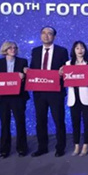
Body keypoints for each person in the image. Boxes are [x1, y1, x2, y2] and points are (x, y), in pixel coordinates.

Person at [27, 26, 68, 157]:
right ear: (40, 36)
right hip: (39, 92)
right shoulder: (35, 51)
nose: (46, 36)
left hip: (55, 91)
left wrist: (63, 71)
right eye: (43, 33)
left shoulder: (62, 51)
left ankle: (60, 147)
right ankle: (42, 147)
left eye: (49, 33)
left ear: (54, 37)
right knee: (40, 121)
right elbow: (33, 68)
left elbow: (67, 69)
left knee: (59, 120)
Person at [0, 41, 29, 158]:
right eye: (10, 48)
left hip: (18, 97)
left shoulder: (23, 62)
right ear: (5, 49)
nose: (13, 49)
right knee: (4, 123)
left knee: (20, 123)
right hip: (3, 98)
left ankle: (22, 148)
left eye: (14, 48)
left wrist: (24, 75)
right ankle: (4, 150)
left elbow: (28, 78)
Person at [64, 41, 88, 156]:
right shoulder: (68, 63)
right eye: (77, 48)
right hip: (73, 98)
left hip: (86, 97)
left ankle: (86, 145)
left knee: (87, 122)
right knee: (75, 122)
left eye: (82, 48)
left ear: (85, 50)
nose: (80, 50)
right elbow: (66, 79)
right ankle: (76, 145)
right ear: (74, 50)